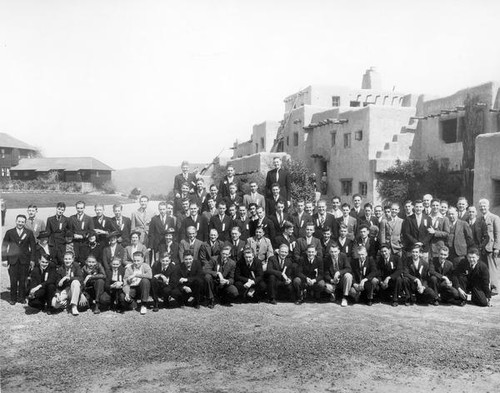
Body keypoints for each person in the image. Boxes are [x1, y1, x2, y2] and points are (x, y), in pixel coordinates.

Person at [2, 214, 36, 305]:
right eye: (19, 221)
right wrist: (4, 259)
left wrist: (32, 259)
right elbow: (4, 246)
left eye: (22, 222)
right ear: (16, 221)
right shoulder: (10, 232)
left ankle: (21, 297)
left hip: (24, 260)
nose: (20, 223)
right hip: (12, 260)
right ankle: (13, 298)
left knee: (23, 279)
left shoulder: (29, 232)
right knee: (13, 280)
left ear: (25, 223)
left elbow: (33, 247)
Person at [478, 198, 500, 295]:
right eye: (481, 206)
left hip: (491, 248)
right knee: (484, 269)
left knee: (493, 268)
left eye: (484, 206)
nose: (483, 208)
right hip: (482, 248)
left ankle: (494, 289)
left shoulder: (494, 218)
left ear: (488, 206)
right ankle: (485, 287)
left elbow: (497, 234)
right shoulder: (479, 219)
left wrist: (496, 247)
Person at [53, 251, 83, 316]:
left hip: (74, 289)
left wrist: (68, 278)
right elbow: (57, 283)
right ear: (63, 259)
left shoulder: (76, 266)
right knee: (54, 304)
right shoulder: (60, 269)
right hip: (65, 290)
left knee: (75, 282)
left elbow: (80, 278)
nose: (67, 261)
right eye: (66, 259)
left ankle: (74, 306)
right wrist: (57, 293)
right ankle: (67, 303)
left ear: (72, 259)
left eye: (69, 259)